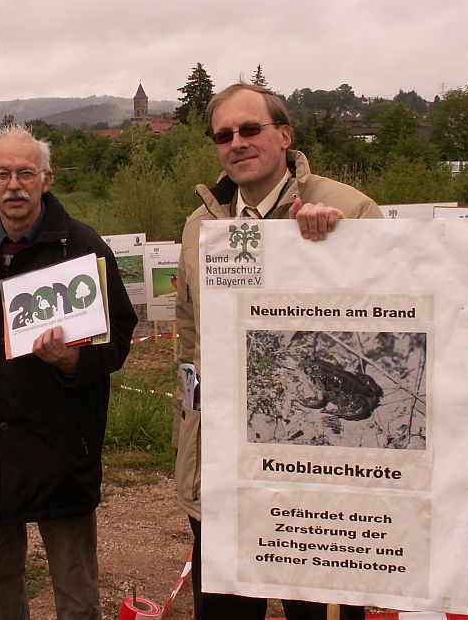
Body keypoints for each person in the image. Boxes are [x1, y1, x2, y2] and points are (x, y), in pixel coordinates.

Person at [174, 82, 383, 620]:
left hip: (314, 479)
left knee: (317, 612)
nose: (237, 142)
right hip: (225, 464)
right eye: (224, 134)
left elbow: (388, 315)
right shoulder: (201, 228)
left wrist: (335, 253)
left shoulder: (349, 211)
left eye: (250, 129)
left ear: (284, 135)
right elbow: (190, 342)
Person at [0, 124, 138, 620]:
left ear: (46, 178)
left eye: (26, 173)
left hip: (62, 445)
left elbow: (120, 337)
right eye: (4, 173)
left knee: (76, 586)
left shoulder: (82, 248)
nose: (14, 184)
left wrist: (76, 361)